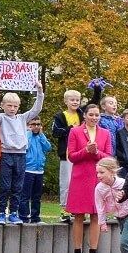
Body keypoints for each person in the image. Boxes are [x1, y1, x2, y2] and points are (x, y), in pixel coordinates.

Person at [0, 81, 45, 224]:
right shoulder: (1, 118)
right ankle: (1, 213)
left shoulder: (22, 118)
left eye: (15, 106)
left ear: (19, 107)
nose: (12, 108)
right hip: (6, 154)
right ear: (3, 105)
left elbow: (36, 109)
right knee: (5, 185)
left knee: (18, 186)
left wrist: (39, 91)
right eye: (9, 105)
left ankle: (13, 213)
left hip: (21, 155)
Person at [67, 102, 113, 253]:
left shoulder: (106, 133)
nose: (94, 117)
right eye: (91, 114)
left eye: (97, 115)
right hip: (80, 178)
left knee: (96, 215)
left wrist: (96, 153)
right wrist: (86, 150)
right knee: (78, 216)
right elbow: (71, 156)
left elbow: (108, 156)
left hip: (98, 178)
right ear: (84, 115)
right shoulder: (75, 131)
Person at [50, 89, 83, 224]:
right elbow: (56, 132)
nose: (75, 102)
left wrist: (97, 90)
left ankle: (77, 209)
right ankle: (64, 211)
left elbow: (94, 103)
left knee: (78, 182)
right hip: (67, 154)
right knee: (66, 182)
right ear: (66, 101)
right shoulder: (60, 116)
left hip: (81, 153)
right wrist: (71, 129)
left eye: (77, 100)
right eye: (72, 100)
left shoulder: (82, 114)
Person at [19, 116, 53, 224]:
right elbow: (25, 146)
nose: (36, 126)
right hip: (28, 169)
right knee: (25, 195)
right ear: (28, 126)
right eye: (33, 124)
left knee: (37, 196)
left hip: (39, 170)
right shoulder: (26, 135)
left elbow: (48, 147)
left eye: (38, 124)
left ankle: (35, 217)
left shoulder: (40, 137)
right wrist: (28, 132)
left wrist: (42, 134)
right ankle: (23, 217)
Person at [113, 108, 128, 178]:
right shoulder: (119, 133)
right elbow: (117, 148)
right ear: (123, 119)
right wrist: (123, 157)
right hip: (123, 165)